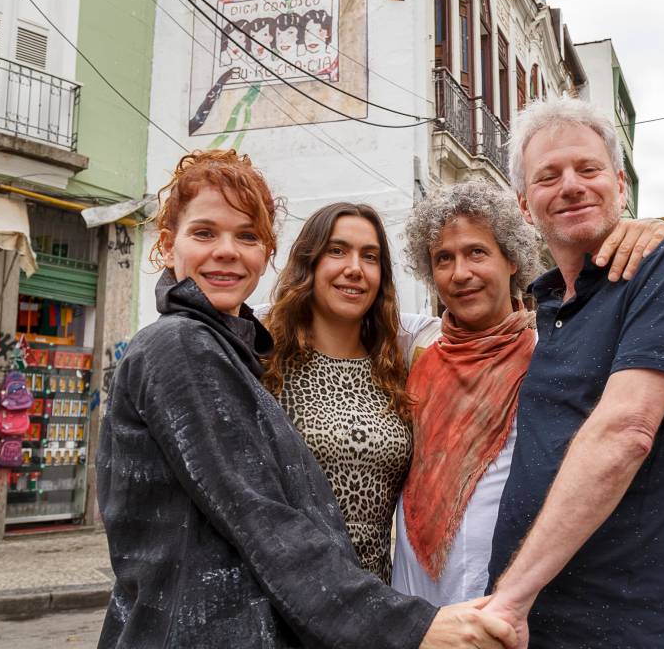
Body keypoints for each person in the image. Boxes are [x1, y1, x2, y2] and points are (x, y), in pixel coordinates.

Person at [96, 150, 513, 648]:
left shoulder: (245, 352)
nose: (227, 251)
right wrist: (410, 627)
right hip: (259, 617)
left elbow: (475, 338)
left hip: (337, 609)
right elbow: (261, 519)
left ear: (266, 253)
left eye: (247, 236)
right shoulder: (190, 347)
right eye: (204, 233)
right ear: (167, 246)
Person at [483, 97, 664, 648]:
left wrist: (511, 597)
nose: (570, 185)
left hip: (627, 629)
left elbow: (625, 433)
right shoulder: (547, 306)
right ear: (524, 205)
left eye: (588, 169)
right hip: (537, 626)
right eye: (548, 176)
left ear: (621, 184)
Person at [392, 182, 545, 604]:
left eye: (477, 252)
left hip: (507, 599)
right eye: (444, 258)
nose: (460, 273)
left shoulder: (548, 359)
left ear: (511, 259)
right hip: (417, 597)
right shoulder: (417, 353)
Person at [262, 203, 413, 582]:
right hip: (288, 599)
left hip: (377, 601)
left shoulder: (397, 368)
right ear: (309, 263)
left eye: (370, 257)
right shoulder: (264, 363)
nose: (354, 268)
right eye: (337, 250)